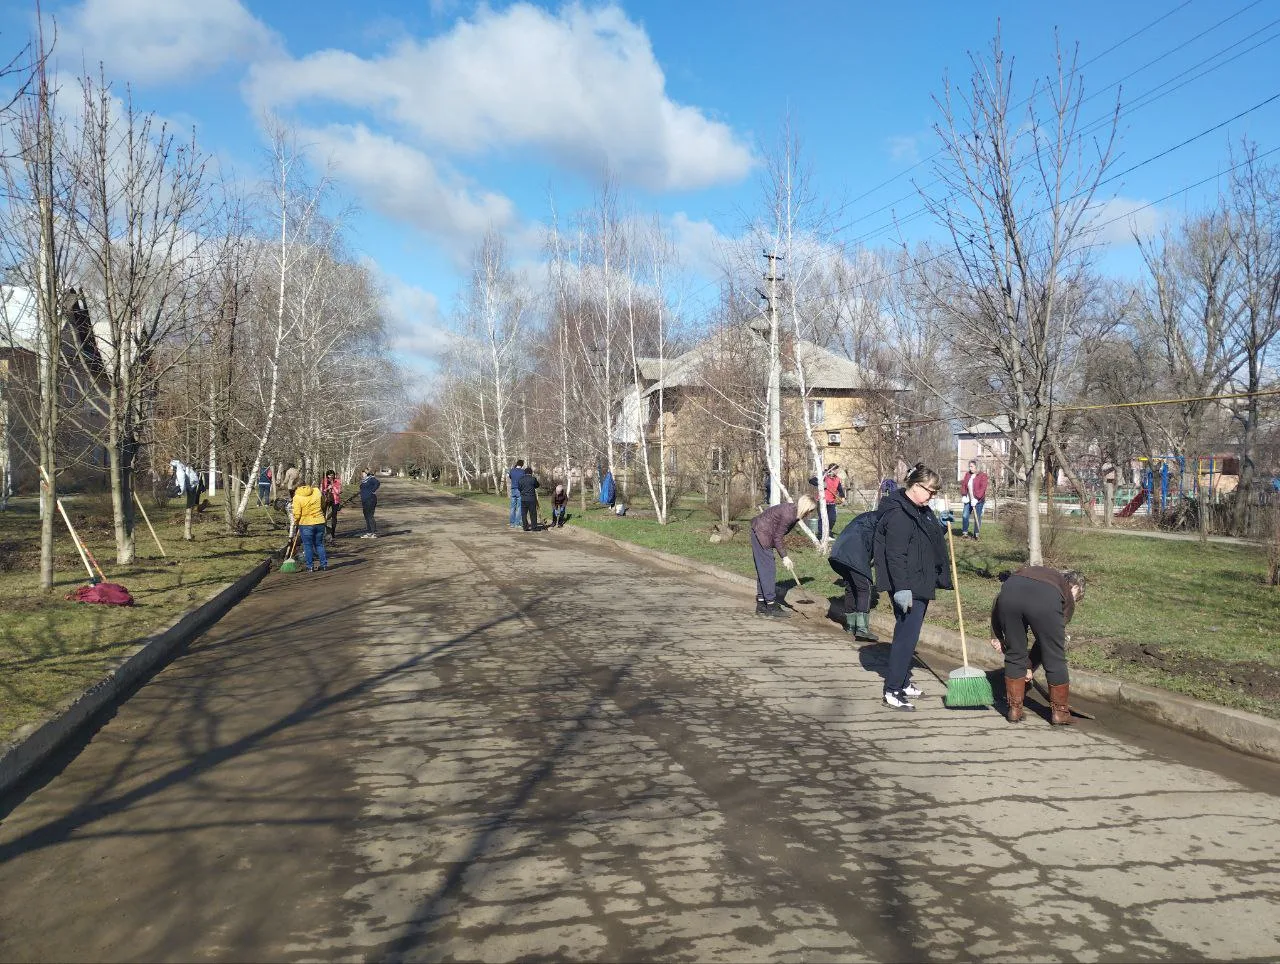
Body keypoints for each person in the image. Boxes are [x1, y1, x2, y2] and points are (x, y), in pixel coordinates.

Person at [873, 463, 952, 711]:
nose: (932, 496)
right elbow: (895, 555)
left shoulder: (919, 509)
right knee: (906, 638)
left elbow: (923, 539)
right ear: (916, 486)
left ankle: (904, 682)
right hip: (907, 584)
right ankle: (892, 690)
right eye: (930, 491)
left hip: (919, 579)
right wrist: (901, 588)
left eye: (935, 492)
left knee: (910, 635)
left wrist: (941, 526)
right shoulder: (899, 514)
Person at [990, 567, 1087, 725]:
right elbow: (1048, 644)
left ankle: (1014, 710)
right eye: (1077, 598)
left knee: (1014, 653)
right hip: (1042, 603)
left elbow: (999, 599)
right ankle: (1060, 713)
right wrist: (1030, 664)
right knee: (1055, 658)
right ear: (1075, 588)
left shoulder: (1036, 574)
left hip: (1009, 594)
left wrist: (996, 636)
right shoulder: (1065, 593)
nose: (1073, 601)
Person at [749, 494, 819, 619]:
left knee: (763, 569)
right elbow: (778, 537)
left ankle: (761, 604)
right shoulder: (789, 514)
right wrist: (785, 557)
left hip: (761, 531)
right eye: (810, 510)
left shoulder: (794, 512)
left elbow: (777, 533)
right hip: (761, 533)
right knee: (768, 570)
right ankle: (771, 606)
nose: (810, 513)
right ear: (806, 507)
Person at [829, 506, 882, 641]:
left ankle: (850, 625)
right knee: (865, 588)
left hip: (838, 552)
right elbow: (881, 545)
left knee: (851, 587)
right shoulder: (884, 520)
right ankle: (862, 629)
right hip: (854, 554)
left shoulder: (868, 516)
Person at [291, 475, 328, 571]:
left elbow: (297, 514)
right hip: (319, 521)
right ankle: (324, 564)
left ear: (296, 487)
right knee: (319, 544)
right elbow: (323, 504)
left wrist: (296, 522)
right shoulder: (316, 491)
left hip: (306, 523)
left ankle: (310, 566)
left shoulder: (297, 497)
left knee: (308, 545)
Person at [808, 463, 846, 536]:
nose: (837, 472)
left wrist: (843, 498)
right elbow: (811, 481)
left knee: (832, 518)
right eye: (836, 470)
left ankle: (828, 532)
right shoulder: (823, 475)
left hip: (831, 502)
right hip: (822, 501)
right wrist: (820, 483)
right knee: (822, 518)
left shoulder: (837, 479)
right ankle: (821, 535)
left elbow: (840, 489)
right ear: (832, 470)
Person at [960, 460, 990, 540]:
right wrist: (964, 495)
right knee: (965, 515)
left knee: (977, 517)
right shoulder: (968, 474)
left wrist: (976, 499)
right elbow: (964, 485)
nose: (970, 468)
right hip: (968, 500)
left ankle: (976, 534)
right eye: (969, 466)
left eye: (971, 466)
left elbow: (983, 488)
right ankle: (965, 533)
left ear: (977, 466)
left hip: (978, 501)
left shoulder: (983, 476)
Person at [321, 470, 342, 543]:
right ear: (327, 475)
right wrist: (327, 488)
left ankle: (333, 532)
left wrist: (333, 486)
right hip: (326, 500)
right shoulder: (324, 481)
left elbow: (338, 492)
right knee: (323, 516)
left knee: (334, 516)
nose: (331, 476)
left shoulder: (337, 481)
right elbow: (322, 491)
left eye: (332, 475)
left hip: (335, 500)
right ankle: (324, 531)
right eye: (329, 475)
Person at [518, 465, 541, 530]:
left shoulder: (521, 479)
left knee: (524, 514)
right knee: (533, 513)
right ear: (531, 472)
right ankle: (534, 527)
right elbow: (537, 485)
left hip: (523, 499)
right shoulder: (533, 479)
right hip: (531, 499)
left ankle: (525, 527)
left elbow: (519, 488)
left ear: (525, 473)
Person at [359, 468, 380, 538]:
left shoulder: (371, 479)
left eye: (364, 473)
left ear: (367, 473)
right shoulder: (364, 481)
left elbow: (377, 483)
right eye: (362, 473)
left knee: (370, 515)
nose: (362, 474)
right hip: (364, 500)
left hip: (371, 499)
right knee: (366, 516)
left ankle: (374, 533)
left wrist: (372, 491)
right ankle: (369, 532)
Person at [508, 459, 525, 529]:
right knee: (519, 508)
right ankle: (517, 523)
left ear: (517, 464)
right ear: (522, 465)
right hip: (520, 490)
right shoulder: (523, 472)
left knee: (512, 507)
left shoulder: (512, 470)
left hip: (513, 489)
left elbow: (510, 477)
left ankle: (512, 523)